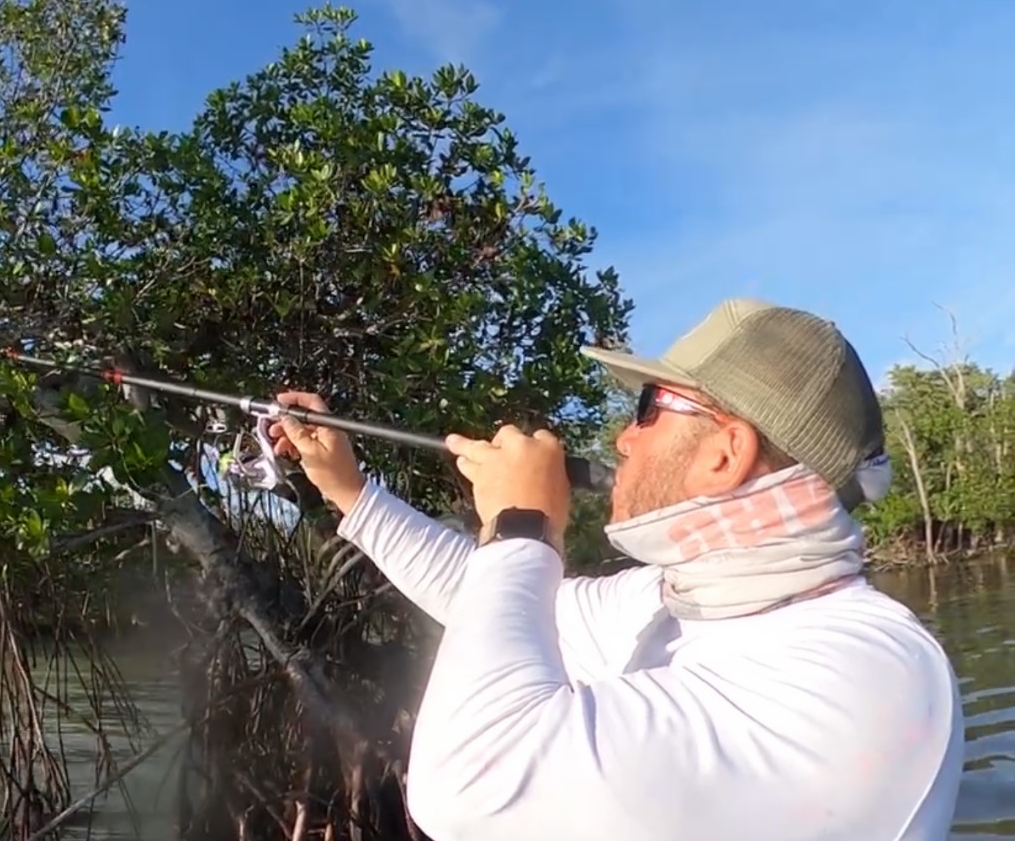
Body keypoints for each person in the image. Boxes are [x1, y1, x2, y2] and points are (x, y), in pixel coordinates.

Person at [270, 298, 964, 841]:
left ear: (726, 453)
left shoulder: (871, 673)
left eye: (649, 409)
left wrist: (523, 526)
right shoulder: (676, 602)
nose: (622, 437)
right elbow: (487, 601)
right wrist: (349, 490)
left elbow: (468, 786)